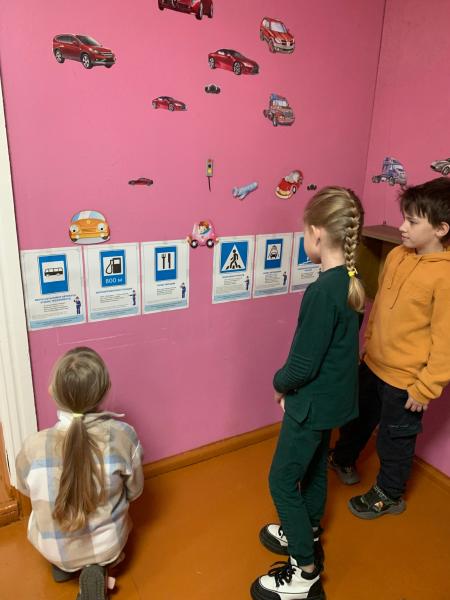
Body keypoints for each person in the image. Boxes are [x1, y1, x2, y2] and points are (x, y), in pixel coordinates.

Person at [252, 187, 365, 600]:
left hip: (310, 406)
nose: (304, 239)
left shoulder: (321, 292)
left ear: (317, 233)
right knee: (315, 468)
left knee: (282, 481)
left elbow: (302, 365)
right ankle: (308, 527)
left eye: (304, 232)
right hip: (334, 403)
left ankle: (305, 570)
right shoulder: (350, 281)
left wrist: (279, 385)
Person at [329, 177, 450, 519]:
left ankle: (390, 493)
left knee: (395, 440)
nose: (402, 227)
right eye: (403, 218)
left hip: (406, 382)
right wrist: (367, 346)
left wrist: (426, 387)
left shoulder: (445, 277)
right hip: (373, 364)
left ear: (441, 229)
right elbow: (380, 307)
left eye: (412, 221)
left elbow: (446, 341)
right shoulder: (397, 254)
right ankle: (342, 458)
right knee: (355, 418)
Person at [15, 347, 144, 600]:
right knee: (116, 517)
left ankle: (64, 565)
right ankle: (98, 567)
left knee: (42, 514)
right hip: (108, 547)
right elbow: (135, 491)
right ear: (105, 391)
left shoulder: (33, 446)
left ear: (52, 391)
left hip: (52, 548)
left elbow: (24, 489)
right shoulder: (123, 436)